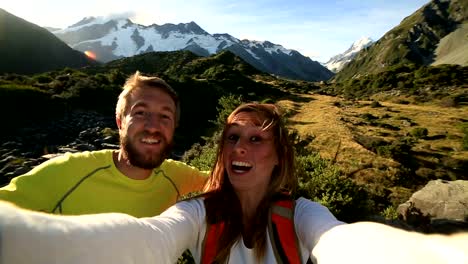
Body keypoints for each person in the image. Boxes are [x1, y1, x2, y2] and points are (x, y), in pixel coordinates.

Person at [0, 103, 467, 264]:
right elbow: (151, 239)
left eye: (256, 140)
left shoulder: (300, 215)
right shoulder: (200, 211)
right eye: (232, 138)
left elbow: (341, 241)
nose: (240, 148)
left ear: (279, 155)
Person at [0, 71, 207, 217]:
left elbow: (229, 182)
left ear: (174, 128)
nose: (153, 127)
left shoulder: (177, 176)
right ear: (120, 122)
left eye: (165, 116)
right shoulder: (65, 173)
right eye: (140, 113)